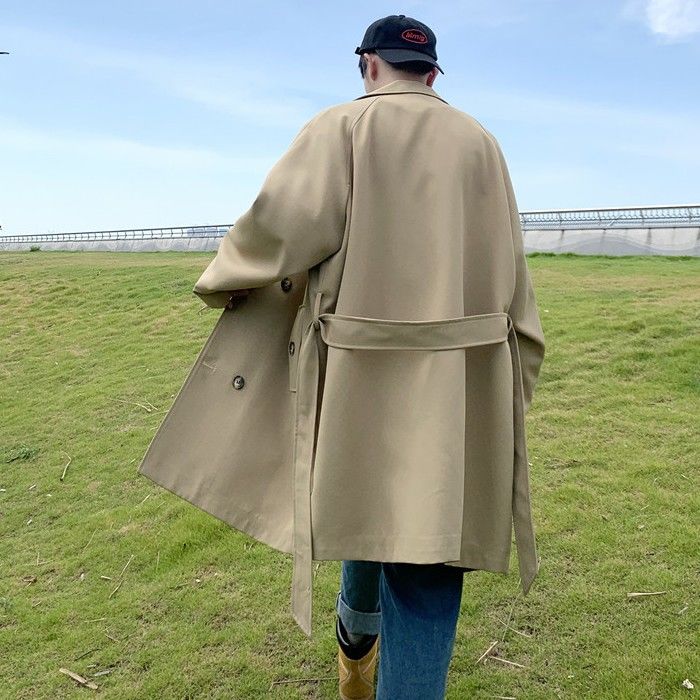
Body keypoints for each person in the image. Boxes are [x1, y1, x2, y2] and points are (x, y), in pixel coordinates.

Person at [143, 12, 545, 700]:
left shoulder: (341, 127)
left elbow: (275, 230)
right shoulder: (482, 144)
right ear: (432, 73)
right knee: (426, 552)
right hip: (457, 388)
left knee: (364, 501)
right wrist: (514, 380)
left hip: (356, 380)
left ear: (369, 64)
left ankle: (355, 639)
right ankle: (360, 643)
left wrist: (219, 281)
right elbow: (513, 278)